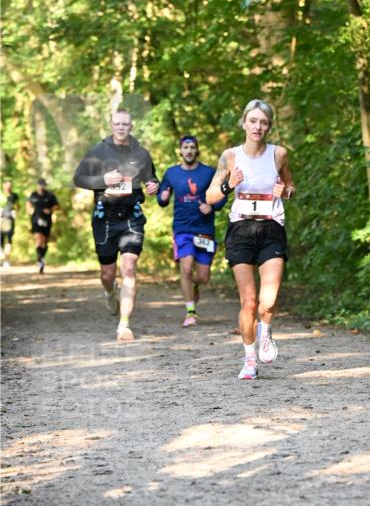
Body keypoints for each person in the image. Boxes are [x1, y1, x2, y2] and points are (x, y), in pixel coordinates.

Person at [206, 99, 295, 380]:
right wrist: (228, 185)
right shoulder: (230, 157)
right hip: (241, 230)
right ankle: (249, 360)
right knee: (249, 302)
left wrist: (287, 191)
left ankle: (265, 332)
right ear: (244, 123)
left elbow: (290, 186)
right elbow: (210, 197)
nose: (258, 127)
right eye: (253, 121)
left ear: (269, 126)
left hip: (271, 228)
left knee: (268, 301)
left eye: (264, 122)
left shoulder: (278, 154)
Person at [73, 109, 158, 341]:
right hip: (105, 218)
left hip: (132, 216)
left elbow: (151, 179)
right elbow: (78, 178)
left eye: (125, 124)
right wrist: (102, 181)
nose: (121, 128)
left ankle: (124, 325)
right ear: (111, 125)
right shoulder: (98, 151)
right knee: (107, 273)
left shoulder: (141, 153)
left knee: (129, 267)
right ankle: (110, 292)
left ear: (131, 126)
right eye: (117, 124)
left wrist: (153, 186)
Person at [158, 135, 227, 327]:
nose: (189, 151)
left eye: (192, 147)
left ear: (197, 150)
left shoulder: (208, 172)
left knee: (203, 277)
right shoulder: (171, 173)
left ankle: (195, 285)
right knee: (186, 267)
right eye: (185, 147)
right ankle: (190, 312)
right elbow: (162, 198)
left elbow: (221, 196)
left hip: (204, 230)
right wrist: (162, 197)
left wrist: (211, 206)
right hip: (182, 229)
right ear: (180, 151)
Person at [27, 178, 59, 273]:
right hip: (36, 220)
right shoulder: (33, 195)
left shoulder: (49, 195)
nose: (41, 186)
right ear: (37, 185)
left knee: (44, 241)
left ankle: (42, 257)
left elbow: (56, 205)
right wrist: (29, 210)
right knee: (38, 238)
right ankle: (40, 259)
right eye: (40, 184)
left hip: (47, 220)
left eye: (43, 185)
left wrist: (50, 210)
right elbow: (28, 204)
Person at [1, 179, 19, 268]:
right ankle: (3, 258)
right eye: (7, 185)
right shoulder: (1, 195)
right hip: (1, 220)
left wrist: (15, 212)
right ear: (3, 186)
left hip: (9, 220)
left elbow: (17, 206)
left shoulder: (14, 196)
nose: (9, 187)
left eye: (10, 185)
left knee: (8, 240)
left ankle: (6, 260)